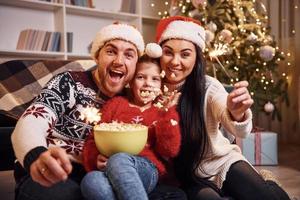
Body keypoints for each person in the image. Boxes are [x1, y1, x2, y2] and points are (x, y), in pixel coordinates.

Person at [11, 22, 186, 200]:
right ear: (97, 56)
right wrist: (36, 155)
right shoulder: (69, 82)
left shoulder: (131, 98)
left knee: (174, 196)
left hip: (107, 174)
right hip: (52, 171)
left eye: (129, 55)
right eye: (111, 51)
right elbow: (31, 121)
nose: (119, 61)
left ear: (135, 66)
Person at [155, 16, 291, 200]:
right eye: (168, 52)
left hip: (221, 162)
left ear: (196, 58)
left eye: (185, 54)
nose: (175, 62)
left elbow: (233, 121)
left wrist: (237, 113)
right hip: (188, 178)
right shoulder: (149, 88)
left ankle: (269, 184)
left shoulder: (208, 87)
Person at [80, 51, 181, 200]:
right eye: (140, 77)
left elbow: (169, 150)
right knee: (91, 181)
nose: (147, 83)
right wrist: (96, 158)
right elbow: (93, 140)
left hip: (146, 168)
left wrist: (168, 114)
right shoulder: (116, 105)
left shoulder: (162, 112)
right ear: (131, 81)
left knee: (119, 159)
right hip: (108, 168)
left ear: (161, 85)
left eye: (155, 79)